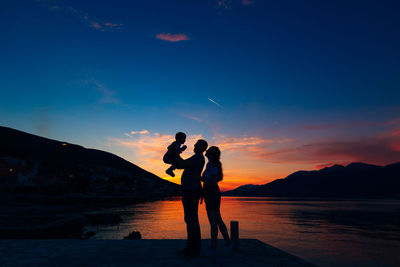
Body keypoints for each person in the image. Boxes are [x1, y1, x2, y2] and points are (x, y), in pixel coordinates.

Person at [176, 139, 208, 257]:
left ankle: (193, 249)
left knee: (191, 219)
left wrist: (175, 152)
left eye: (197, 144)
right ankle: (191, 247)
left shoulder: (198, 157)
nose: (194, 145)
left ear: (202, 147)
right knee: (190, 219)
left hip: (191, 191)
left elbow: (182, 164)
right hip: (190, 190)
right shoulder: (196, 157)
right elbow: (182, 164)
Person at [201, 146, 233, 256]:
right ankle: (228, 243)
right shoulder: (210, 164)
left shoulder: (214, 165)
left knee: (213, 223)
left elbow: (212, 182)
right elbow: (208, 180)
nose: (206, 152)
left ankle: (213, 248)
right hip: (209, 193)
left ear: (212, 154)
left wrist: (199, 178)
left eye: (208, 151)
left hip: (212, 194)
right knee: (218, 220)